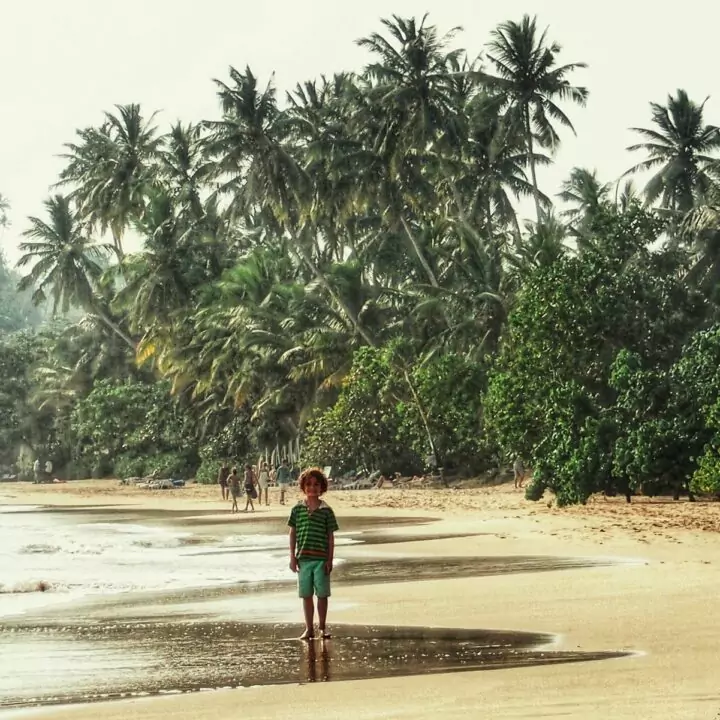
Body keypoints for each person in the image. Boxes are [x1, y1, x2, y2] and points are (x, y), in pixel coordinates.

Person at [288, 467, 339, 640]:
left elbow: (330, 537)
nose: (312, 488)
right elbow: (292, 533)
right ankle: (309, 628)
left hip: (321, 559)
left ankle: (322, 627)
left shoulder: (326, 511)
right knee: (306, 595)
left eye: (316, 484)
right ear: (303, 487)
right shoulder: (297, 509)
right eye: (308, 484)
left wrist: (330, 559)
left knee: (322, 594)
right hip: (303, 559)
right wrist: (292, 557)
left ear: (322, 487)